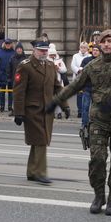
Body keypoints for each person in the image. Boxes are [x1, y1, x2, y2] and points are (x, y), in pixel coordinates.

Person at [47, 30, 111, 216]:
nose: (106, 44)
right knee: (97, 160)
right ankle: (99, 196)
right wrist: (56, 101)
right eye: (103, 42)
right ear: (98, 45)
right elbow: (75, 86)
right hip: (99, 121)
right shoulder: (93, 66)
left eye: (110, 41)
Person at [14, 38, 70, 185]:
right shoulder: (25, 66)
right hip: (32, 110)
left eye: (46, 50)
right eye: (41, 50)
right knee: (41, 140)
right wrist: (18, 112)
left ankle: (32, 172)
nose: (44, 53)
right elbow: (19, 91)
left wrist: (65, 105)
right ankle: (40, 172)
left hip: (48, 110)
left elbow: (57, 87)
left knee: (38, 141)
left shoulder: (50, 65)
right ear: (34, 50)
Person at [80, 45, 101, 127]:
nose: (95, 52)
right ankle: (84, 123)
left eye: (97, 50)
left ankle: (96, 124)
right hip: (87, 88)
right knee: (85, 107)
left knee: (96, 109)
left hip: (98, 89)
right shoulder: (86, 60)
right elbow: (82, 71)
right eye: (94, 50)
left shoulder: (102, 61)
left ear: (100, 52)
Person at [0, 38, 16, 112]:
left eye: (9, 44)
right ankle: (2, 106)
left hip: (11, 75)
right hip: (2, 74)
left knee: (11, 92)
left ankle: (10, 106)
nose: (8, 45)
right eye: (6, 44)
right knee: (2, 91)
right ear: (4, 44)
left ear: (11, 44)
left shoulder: (14, 52)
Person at [70, 42, 91, 117]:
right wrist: (78, 71)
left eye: (84, 47)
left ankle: (85, 111)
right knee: (79, 95)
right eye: (81, 47)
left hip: (86, 79)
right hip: (78, 77)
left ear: (87, 48)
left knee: (86, 95)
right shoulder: (75, 56)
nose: (83, 49)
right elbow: (73, 65)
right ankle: (80, 110)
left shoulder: (89, 56)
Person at [7, 42, 27, 116]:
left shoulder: (25, 58)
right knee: (14, 95)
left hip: (23, 80)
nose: (19, 50)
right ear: (16, 50)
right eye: (18, 49)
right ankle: (14, 109)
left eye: (20, 49)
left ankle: (22, 110)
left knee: (22, 96)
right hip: (14, 79)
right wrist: (9, 78)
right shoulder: (12, 58)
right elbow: (9, 69)